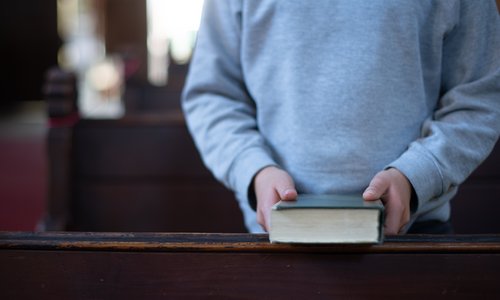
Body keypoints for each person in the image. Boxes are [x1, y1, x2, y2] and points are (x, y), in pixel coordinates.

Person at [181, 0, 500, 234]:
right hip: (276, 235)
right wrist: (254, 171)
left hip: (414, 237)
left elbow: (481, 96)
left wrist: (417, 176)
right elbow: (212, 96)